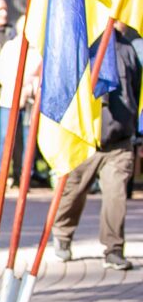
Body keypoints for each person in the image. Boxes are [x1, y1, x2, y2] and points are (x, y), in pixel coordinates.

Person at [52, 22, 140, 271]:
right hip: (87, 139)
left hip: (118, 141)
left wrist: (131, 128)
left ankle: (113, 249)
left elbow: (135, 89)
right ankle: (63, 235)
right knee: (73, 192)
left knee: (116, 196)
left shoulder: (127, 49)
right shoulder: (84, 47)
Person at [0, 15, 42, 180]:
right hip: (10, 100)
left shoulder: (38, 50)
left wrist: (29, 89)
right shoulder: (10, 47)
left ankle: (25, 175)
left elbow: (40, 76)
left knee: (28, 140)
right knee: (7, 138)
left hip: (29, 102)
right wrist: (17, 89)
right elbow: (1, 73)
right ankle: (2, 175)